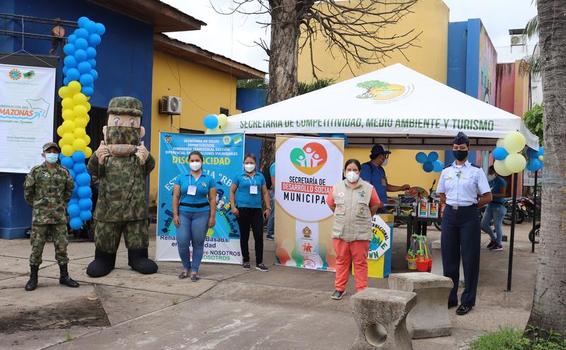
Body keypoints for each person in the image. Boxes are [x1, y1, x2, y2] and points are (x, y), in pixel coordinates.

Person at [437, 132, 492, 316]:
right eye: (455, 148)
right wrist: (449, 204)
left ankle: (468, 300)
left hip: (469, 216)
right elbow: (441, 194)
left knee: (470, 259)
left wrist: (474, 204)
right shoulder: (446, 171)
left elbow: (488, 196)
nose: (458, 150)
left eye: (462, 148)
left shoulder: (476, 171)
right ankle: (450, 297)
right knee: (449, 258)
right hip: (450, 217)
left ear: (468, 148)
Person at [23, 142, 80, 291]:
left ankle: (64, 276)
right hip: (40, 218)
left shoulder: (64, 172)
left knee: (62, 247)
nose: (52, 154)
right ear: (43, 154)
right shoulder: (36, 171)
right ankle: (33, 278)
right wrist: (37, 206)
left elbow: (69, 191)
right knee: (36, 248)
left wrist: (61, 204)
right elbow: (28, 192)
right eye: (49, 151)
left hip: (58, 217)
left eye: (55, 151)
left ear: (58, 154)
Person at [327, 159, 381, 300]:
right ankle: (339, 288)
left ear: (359, 172)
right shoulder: (337, 188)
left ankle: (362, 290)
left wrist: (365, 216)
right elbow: (331, 204)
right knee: (341, 261)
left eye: (355, 170)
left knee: (360, 263)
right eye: (349, 170)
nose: (352, 173)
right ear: (344, 172)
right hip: (341, 232)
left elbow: (375, 205)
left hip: (360, 233)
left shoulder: (368, 188)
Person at [172, 151, 216, 282]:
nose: (195, 163)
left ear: (202, 162)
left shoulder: (209, 179)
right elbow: (175, 196)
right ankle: (186, 267)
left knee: (198, 242)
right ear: (188, 162)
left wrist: (212, 217)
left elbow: (213, 198)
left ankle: (195, 270)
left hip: (202, 213)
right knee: (182, 242)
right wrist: (175, 214)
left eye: (197, 160)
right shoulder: (181, 177)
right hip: (184, 213)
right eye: (192, 160)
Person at [230, 154, 271, 271]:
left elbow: (265, 193)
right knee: (244, 235)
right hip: (242, 209)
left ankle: (259, 262)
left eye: (251, 163)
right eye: (247, 163)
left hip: (256, 209)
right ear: (243, 164)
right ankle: (246, 260)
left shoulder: (260, 176)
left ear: (255, 164)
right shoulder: (239, 176)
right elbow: (232, 191)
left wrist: (268, 208)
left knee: (258, 235)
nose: (249, 165)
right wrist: (233, 206)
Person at [360, 144, 410, 209]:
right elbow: (365, 188)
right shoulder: (366, 167)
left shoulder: (381, 169)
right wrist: (375, 202)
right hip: (371, 207)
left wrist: (401, 188)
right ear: (380, 156)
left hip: (382, 206)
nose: (385, 158)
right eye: (385, 155)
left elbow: (386, 186)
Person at [481, 166, 507, 251]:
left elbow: (503, 194)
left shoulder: (501, 181)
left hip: (499, 206)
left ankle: (499, 244)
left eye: (491, 172)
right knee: (483, 224)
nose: (489, 174)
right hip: (490, 205)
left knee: (497, 225)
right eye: (489, 172)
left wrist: (491, 196)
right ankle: (494, 239)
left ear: (496, 172)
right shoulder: (491, 182)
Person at [266, 162, 275, 240]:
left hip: (275, 191)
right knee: (273, 212)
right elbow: (273, 180)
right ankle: (270, 233)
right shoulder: (275, 165)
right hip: (274, 191)